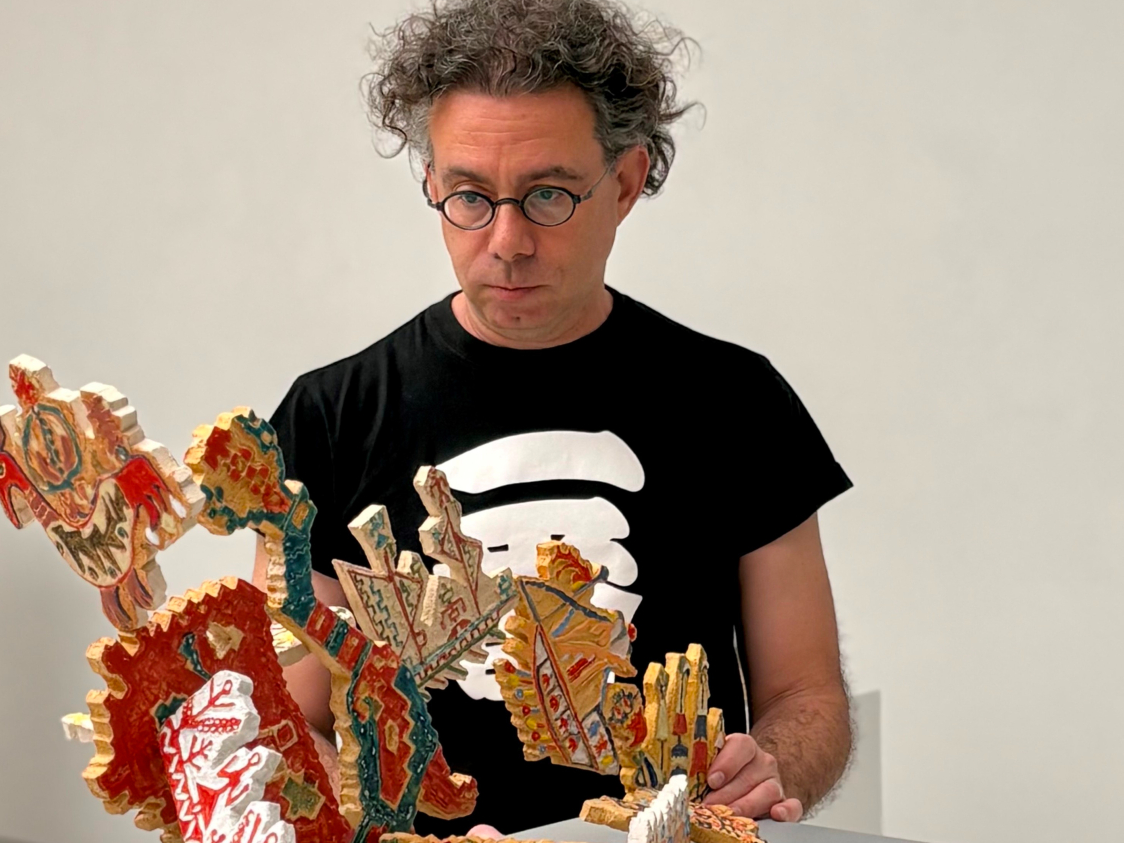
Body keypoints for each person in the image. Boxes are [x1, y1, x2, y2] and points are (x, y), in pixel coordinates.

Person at [256, 0, 854, 833]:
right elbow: (291, 719)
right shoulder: (328, 418)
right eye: (469, 195)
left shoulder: (738, 401)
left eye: (548, 195)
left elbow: (807, 694)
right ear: (431, 184)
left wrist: (770, 766)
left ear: (626, 182)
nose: (507, 240)